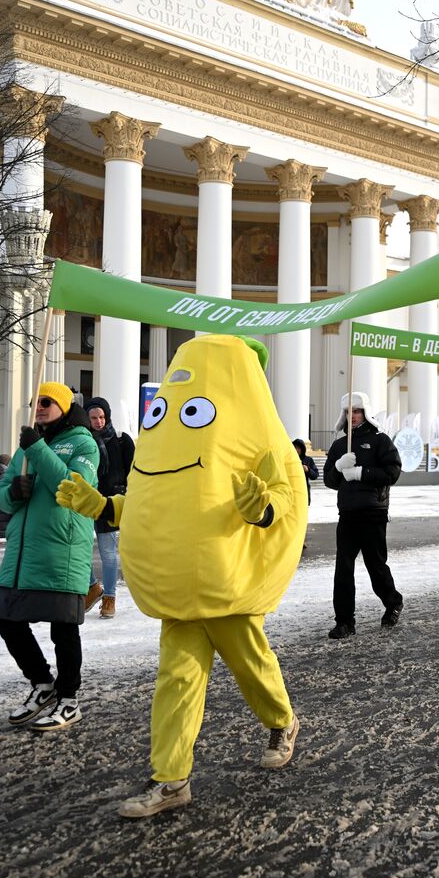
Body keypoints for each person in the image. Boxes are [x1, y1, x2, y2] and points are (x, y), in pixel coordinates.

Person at [56, 335, 306, 818]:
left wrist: (262, 507)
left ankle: (283, 721)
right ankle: (171, 779)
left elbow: (283, 497)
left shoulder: (258, 436)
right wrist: (105, 506)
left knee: (252, 665)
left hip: (225, 581)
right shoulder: (167, 434)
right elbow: (156, 503)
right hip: (179, 590)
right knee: (176, 681)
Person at [0, 382, 99, 731]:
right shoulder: (26, 446)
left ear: (65, 406)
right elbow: (3, 497)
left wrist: (38, 450)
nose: (39, 406)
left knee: (63, 629)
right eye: (36, 401)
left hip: (61, 549)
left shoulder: (83, 442)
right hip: (22, 551)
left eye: (47, 402)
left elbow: (74, 487)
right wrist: (14, 493)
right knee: (7, 618)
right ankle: (43, 685)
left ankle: (69, 699)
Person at [322, 391, 403, 639]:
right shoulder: (338, 446)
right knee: (343, 569)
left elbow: (393, 472)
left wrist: (361, 473)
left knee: (375, 565)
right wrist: (338, 467)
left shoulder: (380, 441)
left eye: (356, 411)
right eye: (348, 412)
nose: (352, 416)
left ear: (365, 413)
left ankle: (393, 602)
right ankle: (345, 621)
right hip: (347, 514)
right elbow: (329, 480)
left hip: (373, 513)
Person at [84, 397, 135, 618]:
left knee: (108, 553)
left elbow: (133, 473)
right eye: (94, 417)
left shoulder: (122, 441)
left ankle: (109, 598)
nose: (98, 421)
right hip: (86, 500)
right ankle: (93, 587)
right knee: (78, 549)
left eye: (102, 417)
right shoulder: (83, 441)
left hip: (109, 503)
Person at [293, 439, 320, 503]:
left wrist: (308, 470)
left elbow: (315, 475)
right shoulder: (288, 460)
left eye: (299, 448)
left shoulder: (308, 460)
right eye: (295, 448)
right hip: (291, 492)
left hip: (303, 492)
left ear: (302, 449)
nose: (296, 450)